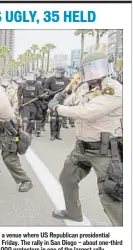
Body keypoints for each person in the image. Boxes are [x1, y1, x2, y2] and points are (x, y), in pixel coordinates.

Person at [48, 51, 123, 226]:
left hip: (105, 151)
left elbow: (87, 112)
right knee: (67, 179)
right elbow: (70, 102)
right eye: (90, 69)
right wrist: (60, 98)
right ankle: (73, 213)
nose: (94, 73)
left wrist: (56, 108)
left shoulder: (114, 89)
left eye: (98, 68)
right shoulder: (83, 86)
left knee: (110, 193)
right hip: (82, 147)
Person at [44, 67, 70, 140]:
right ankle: (52, 135)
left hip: (62, 100)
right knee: (53, 118)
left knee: (60, 119)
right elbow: (45, 88)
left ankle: (58, 134)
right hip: (53, 99)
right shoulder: (50, 79)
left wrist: (67, 92)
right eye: (56, 72)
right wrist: (50, 92)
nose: (57, 74)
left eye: (59, 72)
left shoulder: (67, 80)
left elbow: (70, 90)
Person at [18, 72, 43, 137]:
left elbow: (41, 95)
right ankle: (24, 133)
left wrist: (39, 97)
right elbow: (19, 95)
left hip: (34, 104)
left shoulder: (38, 85)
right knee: (25, 119)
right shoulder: (23, 84)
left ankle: (29, 133)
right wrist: (20, 102)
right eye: (29, 76)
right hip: (25, 104)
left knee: (32, 120)